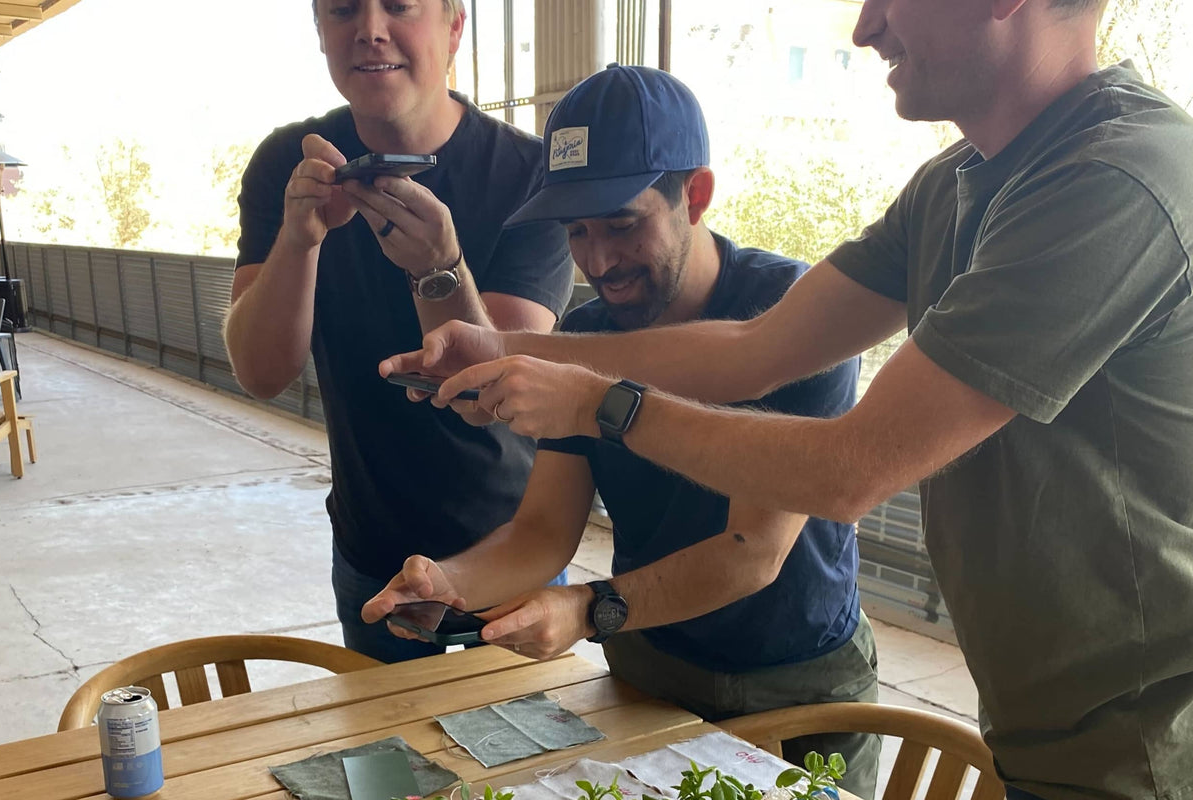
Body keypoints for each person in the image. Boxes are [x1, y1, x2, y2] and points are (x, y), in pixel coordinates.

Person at [378, 0, 1193, 797]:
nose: (867, 25)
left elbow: (850, 472)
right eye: (577, 232)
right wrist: (511, 351)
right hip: (1038, 715)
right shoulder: (953, 186)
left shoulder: (1114, 178)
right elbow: (753, 349)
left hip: (1142, 738)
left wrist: (602, 409)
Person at [362, 64, 880, 799]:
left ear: (694, 195)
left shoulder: (792, 318)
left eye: (623, 223)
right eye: (576, 230)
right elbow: (543, 530)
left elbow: (752, 554)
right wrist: (451, 583)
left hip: (797, 685)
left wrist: (590, 609)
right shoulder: (585, 333)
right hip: (648, 676)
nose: (599, 260)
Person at [223, 0, 574, 664]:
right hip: (372, 556)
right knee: (392, 766)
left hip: (508, 554)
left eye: (399, 6)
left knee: (527, 766)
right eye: (343, 10)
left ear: (454, 27)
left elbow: (490, 399)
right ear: (321, 33)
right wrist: (299, 241)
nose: (370, 29)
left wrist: (439, 267)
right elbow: (261, 371)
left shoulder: (531, 176)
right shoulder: (286, 166)